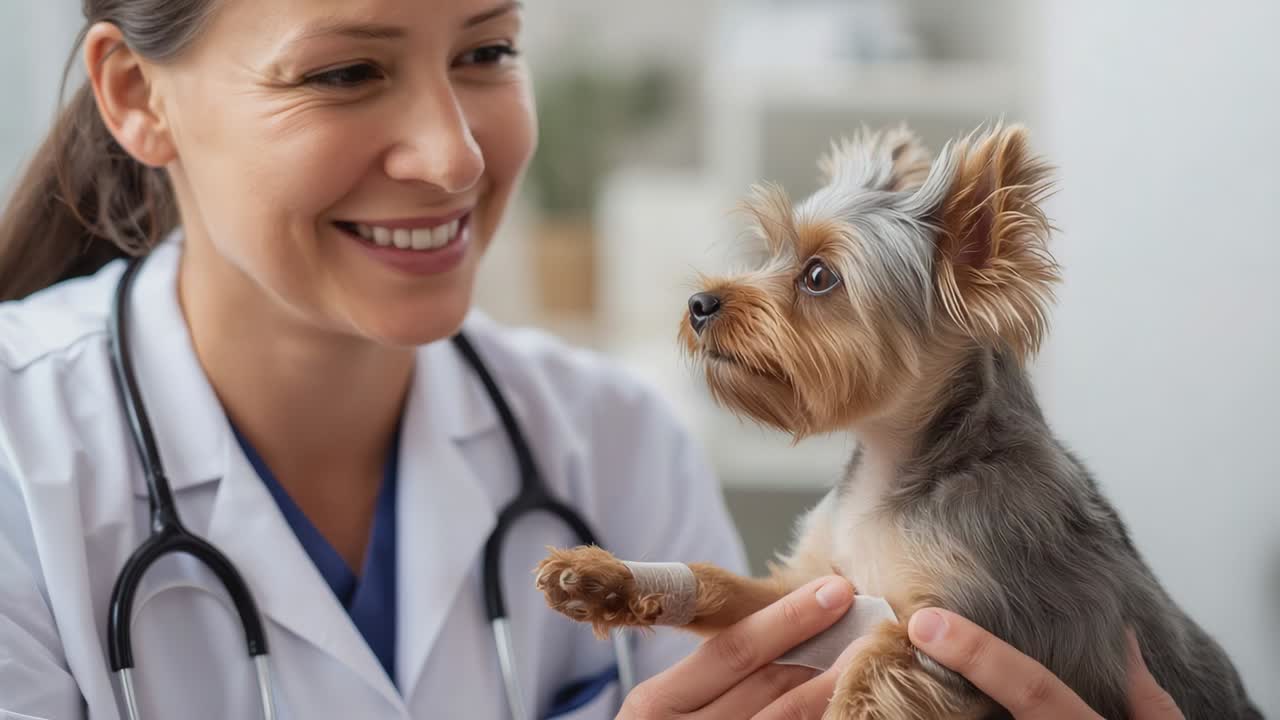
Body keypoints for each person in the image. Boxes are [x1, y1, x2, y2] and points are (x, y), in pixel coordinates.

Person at [0, 1, 1184, 718]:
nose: (452, 155)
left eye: (487, 50)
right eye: (344, 70)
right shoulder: (21, 455)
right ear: (134, 94)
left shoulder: (615, 440)